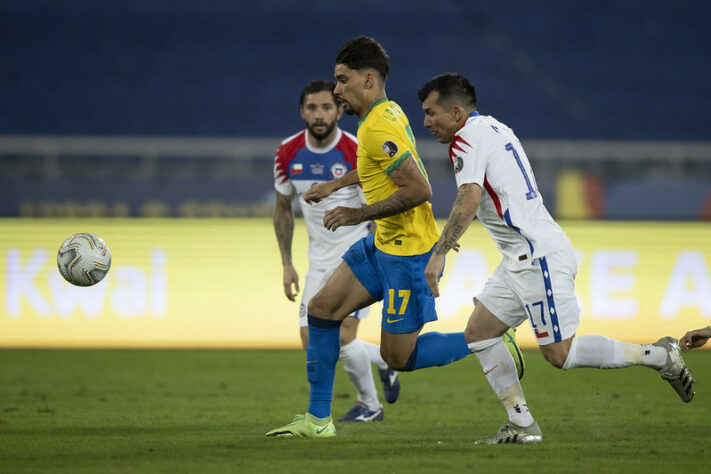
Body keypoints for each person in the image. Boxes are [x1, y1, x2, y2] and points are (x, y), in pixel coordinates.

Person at [417, 72, 696, 444]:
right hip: (519, 258)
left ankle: (661, 356)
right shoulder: (494, 128)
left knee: (558, 354)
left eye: (430, 113)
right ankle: (522, 426)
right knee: (480, 333)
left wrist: (439, 254)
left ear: (455, 112)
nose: (426, 122)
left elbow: (468, 199)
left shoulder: (466, 138)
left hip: (537, 256)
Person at [266, 37, 523, 438]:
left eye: (342, 80)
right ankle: (318, 421)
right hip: (383, 243)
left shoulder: (378, 125)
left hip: (408, 255)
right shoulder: (384, 115)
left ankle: (492, 338)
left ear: (367, 80)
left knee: (397, 357)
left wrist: (356, 212)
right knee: (321, 310)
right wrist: (336, 186)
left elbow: (420, 189)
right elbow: (382, 169)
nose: (336, 91)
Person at [272, 79, 401, 422]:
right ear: (302, 111)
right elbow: (283, 208)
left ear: (340, 110)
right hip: (318, 262)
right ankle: (382, 362)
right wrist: (287, 264)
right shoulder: (286, 153)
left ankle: (369, 406)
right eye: (312, 107)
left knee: (342, 335)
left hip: (356, 258)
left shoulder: (358, 151)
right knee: (310, 339)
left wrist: (380, 259)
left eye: (326, 107)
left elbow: (379, 207)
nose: (319, 114)